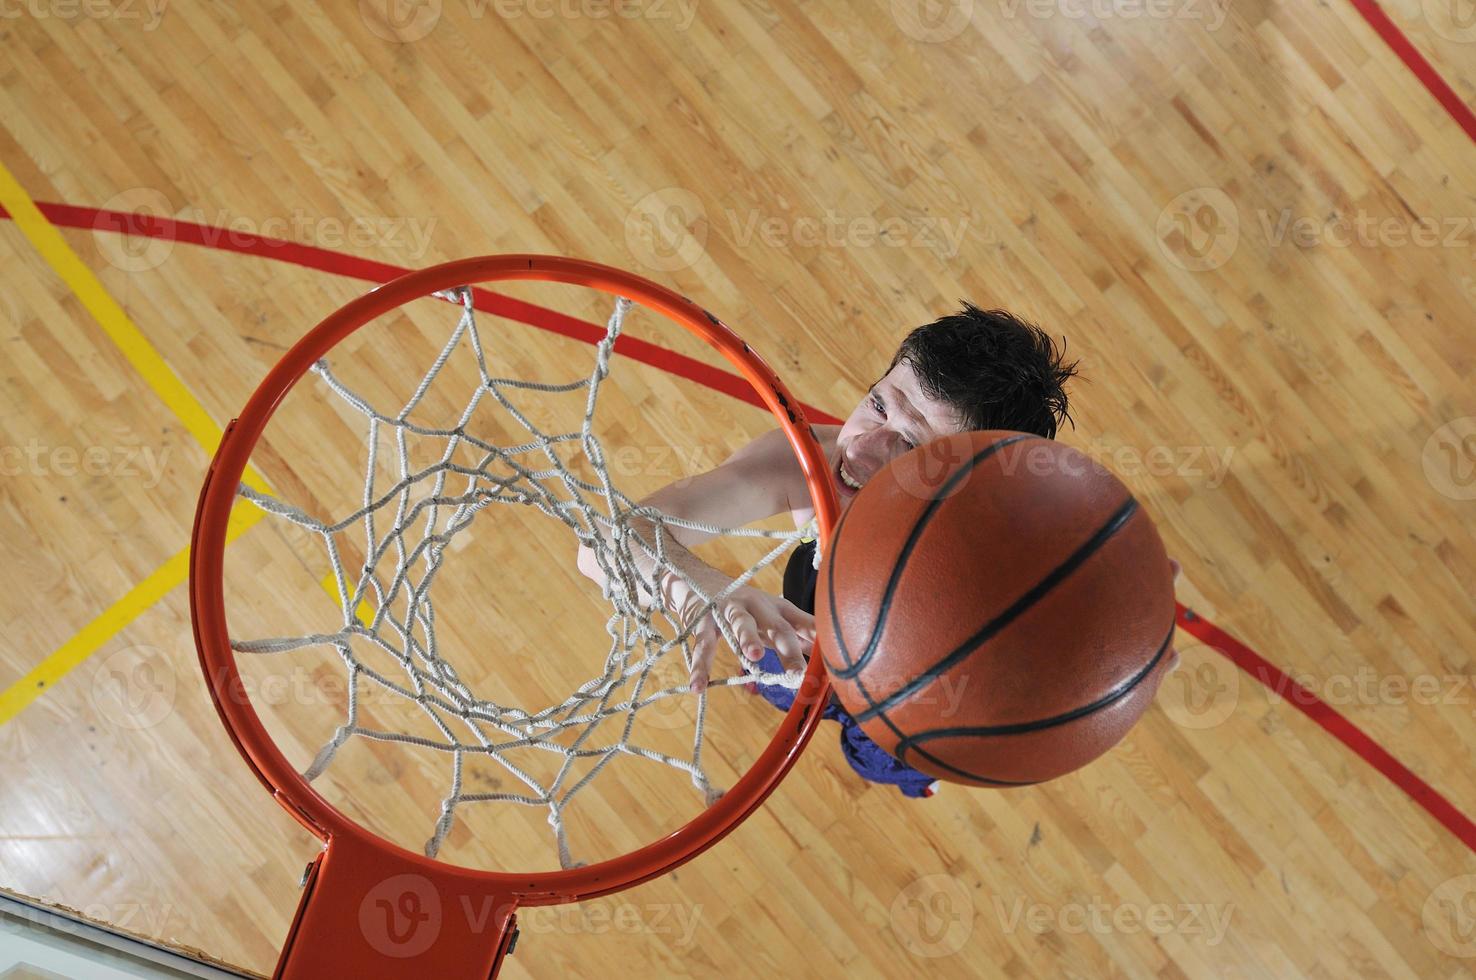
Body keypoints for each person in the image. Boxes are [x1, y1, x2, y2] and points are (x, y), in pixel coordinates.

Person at [576, 303, 1180, 796]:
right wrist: (700, 589)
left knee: (875, 761)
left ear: (972, 475)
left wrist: (1113, 651)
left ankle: (902, 767)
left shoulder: (1004, 560)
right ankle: (781, 677)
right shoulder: (807, 462)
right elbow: (603, 547)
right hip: (813, 615)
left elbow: (1060, 663)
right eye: (879, 405)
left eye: (912, 445)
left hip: (923, 697)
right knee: (773, 662)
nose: (862, 451)